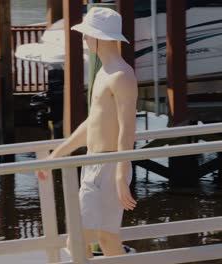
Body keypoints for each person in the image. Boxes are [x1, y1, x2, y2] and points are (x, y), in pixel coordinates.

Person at [36, 7, 138, 257]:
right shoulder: (103, 72)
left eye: (86, 34)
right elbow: (92, 125)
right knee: (107, 239)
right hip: (96, 165)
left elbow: (127, 128)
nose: (83, 39)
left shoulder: (121, 75)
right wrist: (55, 156)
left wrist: (120, 175)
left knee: (77, 242)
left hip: (109, 166)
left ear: (97, 36)